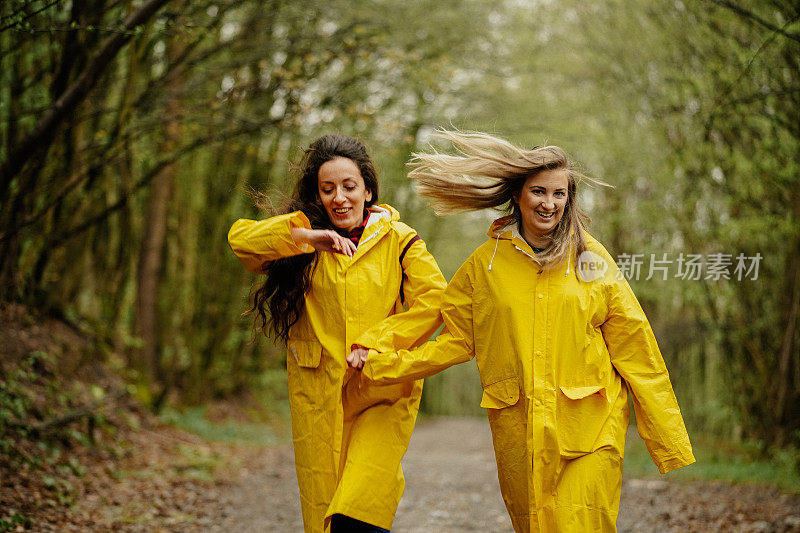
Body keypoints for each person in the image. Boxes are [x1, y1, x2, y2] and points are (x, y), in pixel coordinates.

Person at [349, 130, 695, 532]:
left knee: (580, 524)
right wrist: (382, 361)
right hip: (520, 433)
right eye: (539, 192)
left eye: (559, 194)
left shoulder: (590, 258)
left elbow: (636, 346)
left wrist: (667, 439)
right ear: (518, 195)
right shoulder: (485, 265)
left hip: (591, 426)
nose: (550, 204)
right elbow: (454, 340)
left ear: (570, 198)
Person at [228, 134, 446, 533]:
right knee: (326, 513)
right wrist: (306, 238)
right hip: (318, 396)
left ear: (368, 189)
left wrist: (375, 342)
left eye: (349, 186)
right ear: (318, 194)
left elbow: (434, 304)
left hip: (381, 391)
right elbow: (241, 242)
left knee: (362, 507)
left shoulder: (401, 240)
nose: (339, 197)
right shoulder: (301, 240)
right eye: (328, 189)